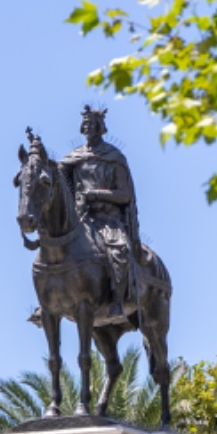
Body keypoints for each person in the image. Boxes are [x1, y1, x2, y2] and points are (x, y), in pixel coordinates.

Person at [60, 106, 138, 326]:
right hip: (82, 219)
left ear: (101, 128)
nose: (88, 128)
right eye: (85, 124)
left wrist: (95, 194)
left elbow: (125, 194)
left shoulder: (114, 158)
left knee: (119, 249)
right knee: (55, 247)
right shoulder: (75, 157)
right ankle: (49, 301)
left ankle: (117, 301)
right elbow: (59, 181)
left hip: (109, 220)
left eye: (92, 124)